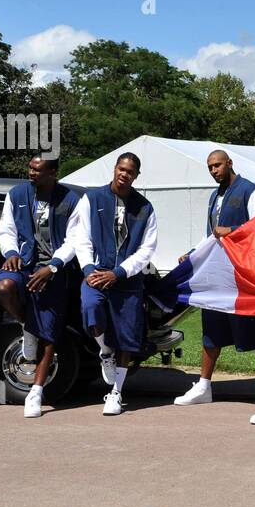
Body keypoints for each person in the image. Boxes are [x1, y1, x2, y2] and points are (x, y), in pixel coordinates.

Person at [173, 149, 255, 406]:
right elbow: (213, 236)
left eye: (217, 165)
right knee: (212, 330)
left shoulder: (252, 191)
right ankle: (204, 386)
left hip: (244, 277)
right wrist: (194, 253)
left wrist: (232, 230)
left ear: (229, 163)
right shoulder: (214, 196)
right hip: (219, 277)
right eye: (210, 167)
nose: (214, 171)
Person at [67, 152, 158, 416]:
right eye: (121, 169)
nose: (124, 174)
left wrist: (118, 273)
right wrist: (88, 268)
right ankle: (105, 351)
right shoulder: (92, 198)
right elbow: (80, 236)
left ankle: (116, 392)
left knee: (127, 338)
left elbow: (146, 249)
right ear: (115, 168)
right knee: (90, 309)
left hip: (126, 279)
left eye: (130, 171)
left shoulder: (144, 208)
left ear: (136, 176)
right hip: (95, 272)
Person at [0, 155, 81, 418]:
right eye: (30, 168)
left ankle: (36, 391)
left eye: (38, 170)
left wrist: (53, 266)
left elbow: (75, 240)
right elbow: (6, 229)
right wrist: (10, 251)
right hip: (23, 263)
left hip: (54, 270)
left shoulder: (71, 200)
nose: (32, 173)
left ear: (53, 172)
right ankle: (26, 324)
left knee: (49, 332)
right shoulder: (17, 194)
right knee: (4, 286)